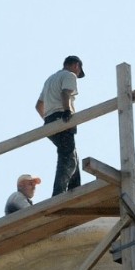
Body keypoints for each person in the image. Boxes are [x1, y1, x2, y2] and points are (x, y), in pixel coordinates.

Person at [35, 55, 85, 196]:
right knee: (68, 158)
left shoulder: (50, 80)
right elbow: (65, 93)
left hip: (50, 122)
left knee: (71, 156)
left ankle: (75, 190)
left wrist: (48, 120)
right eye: (78, 70)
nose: (77, 74)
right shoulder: (70, 75)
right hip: (62, 119)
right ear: (76, 65)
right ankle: (59, 194)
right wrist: (67, 111)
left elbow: (39, 105)